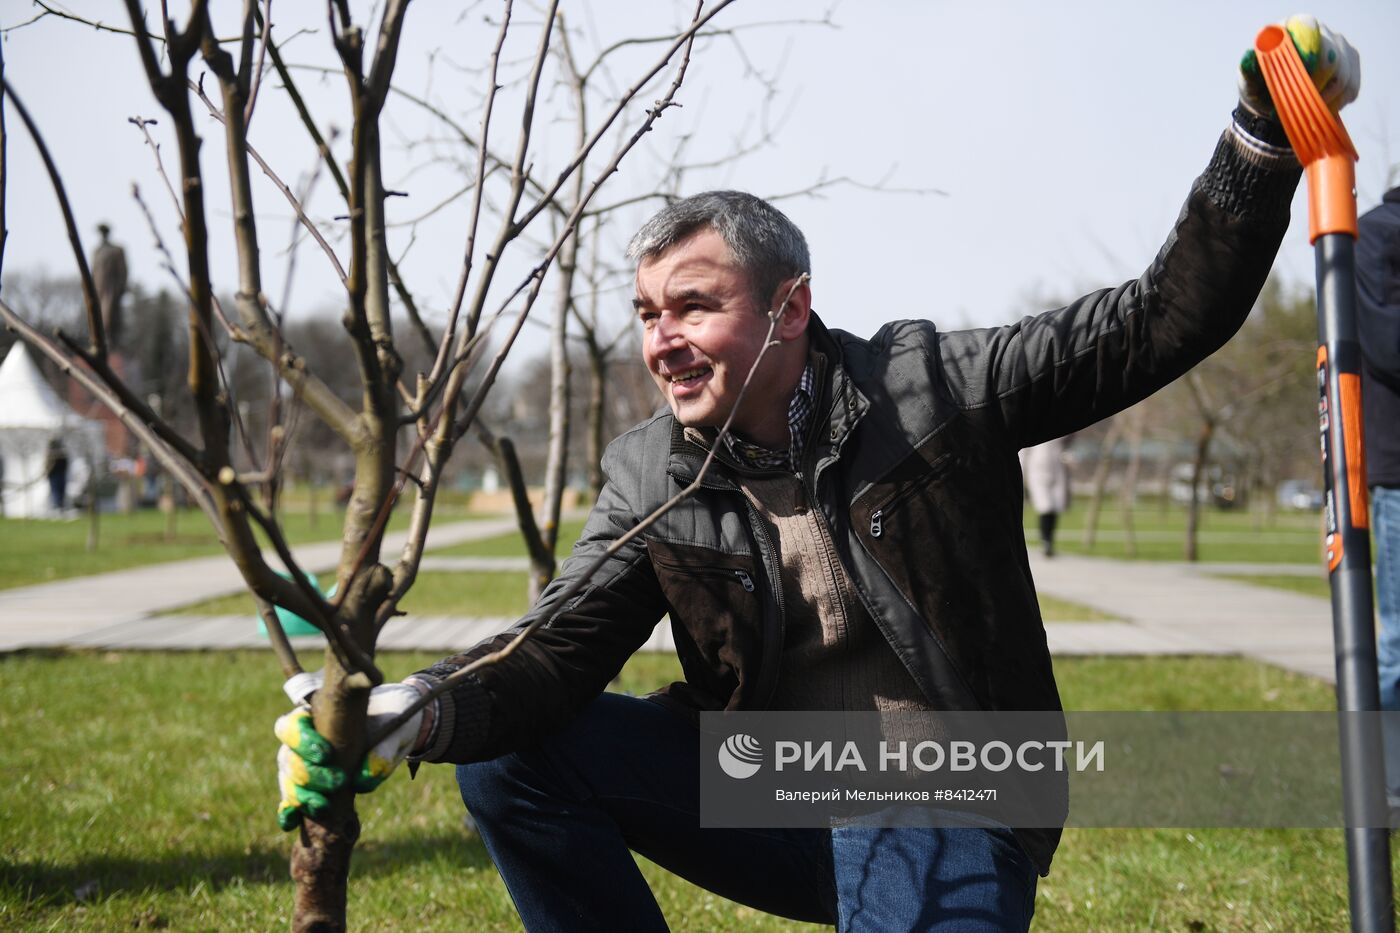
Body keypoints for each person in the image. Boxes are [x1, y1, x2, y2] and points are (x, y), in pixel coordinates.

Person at [275, 17, 1358, 931]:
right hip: (764, 786)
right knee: (511, 758)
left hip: (951, 786)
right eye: (647, 313)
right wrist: (413, 709)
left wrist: (1257, 138)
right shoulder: (649, 468)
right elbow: (556, 650)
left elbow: (1155, 321)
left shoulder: (931, 387)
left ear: (789, 308)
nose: (662, 340)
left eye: (695, 305)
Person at [1358, 185, 1400, 807]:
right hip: (1398, 468)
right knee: (1399, 639)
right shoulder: (1376, 234)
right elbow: (1387, 342)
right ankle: (1389, 783)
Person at [1019, 437, 1072, 557]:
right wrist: (1022, 475)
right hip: (1037, 470)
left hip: (1057, 468)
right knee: (1045, 506)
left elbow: (1066, 447)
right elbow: (1023, 453)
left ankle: (1049, 541)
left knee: (1054, 506)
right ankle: (1045, 541)